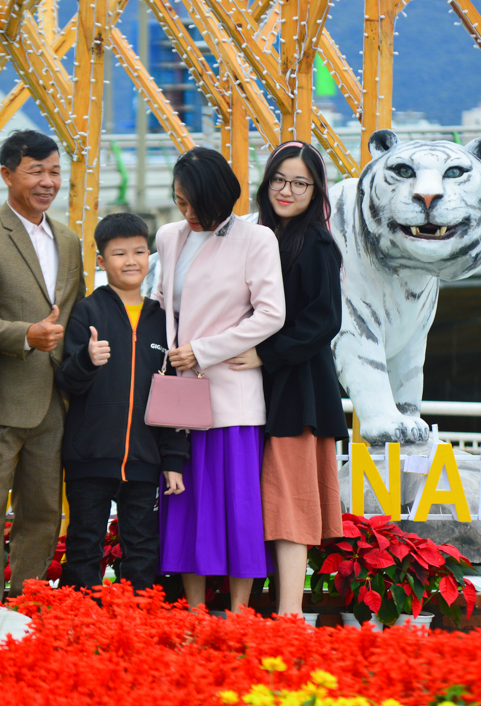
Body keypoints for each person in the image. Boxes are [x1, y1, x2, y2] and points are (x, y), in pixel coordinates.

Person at [154, 147, 286, 613]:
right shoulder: (169, 236)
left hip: (232, 394)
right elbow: (161, 306)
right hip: (181, 395)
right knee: (185, 506)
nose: (186, 214)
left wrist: (206, 350)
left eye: (194, 205)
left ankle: (238, 614)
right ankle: (192, 612)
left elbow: (272, 314)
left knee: (238, 511)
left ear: (219, 199)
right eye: (179, 202)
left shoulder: (257, 239)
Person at [0, 130, 86, 603]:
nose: (48, 181)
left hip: (56, 400)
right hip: (0, 398)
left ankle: (26, 602)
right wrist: (25, 336)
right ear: (8, 174)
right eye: (36, 171)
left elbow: (76, 316)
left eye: (54, 171)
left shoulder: (70, 240)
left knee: (44, 511)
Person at [225, 141, 346, 617]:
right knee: (263, 500)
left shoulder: (314, 241)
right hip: (259, 384)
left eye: (300, 182)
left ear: (316, 191)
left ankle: (290, 617)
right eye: (279, 179)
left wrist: (264, 355)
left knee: (289, 503)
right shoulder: (258, 234)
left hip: (296, 388)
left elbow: (324, 320)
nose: (286, 190)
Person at [56, 213, 189, 592]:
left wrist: (174, 460)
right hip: (90, 458)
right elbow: (67, 380)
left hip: (145, 461)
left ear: (150, 256)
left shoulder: (163, 320)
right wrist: (86, 359)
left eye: (139, 251)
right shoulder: (87, 312)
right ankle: (78, 621)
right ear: (101, 261)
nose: (131, 261)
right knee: (84, 545)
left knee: (143, 547)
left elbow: (173, 396)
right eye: (119, 254)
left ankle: (138, 621)